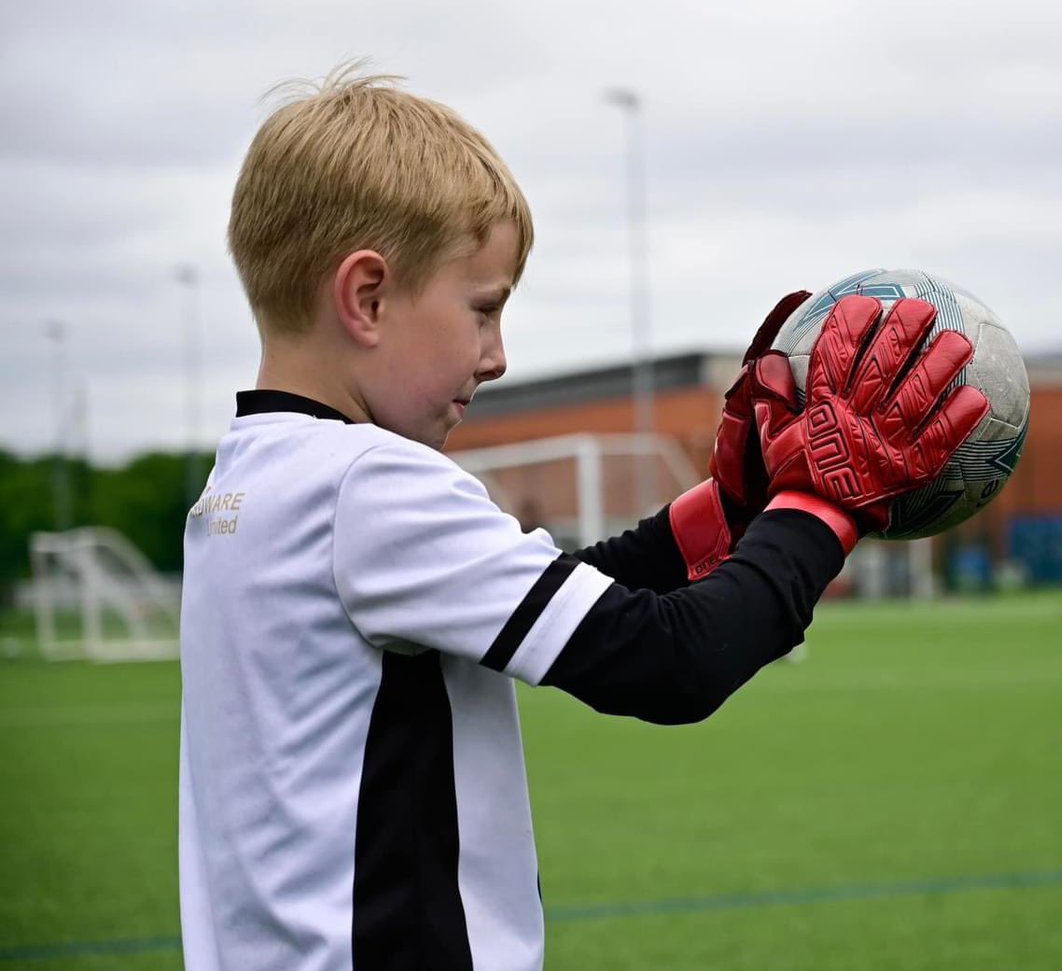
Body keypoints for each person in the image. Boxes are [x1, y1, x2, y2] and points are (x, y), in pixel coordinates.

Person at [179, 68, 988, 971]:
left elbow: (572, 598)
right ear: (366, 297)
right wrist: (826, 501)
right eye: (482, 309)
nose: (496, 356)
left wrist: (725, 512)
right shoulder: (364, 484)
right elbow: (672, 661)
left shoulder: (244, 484)